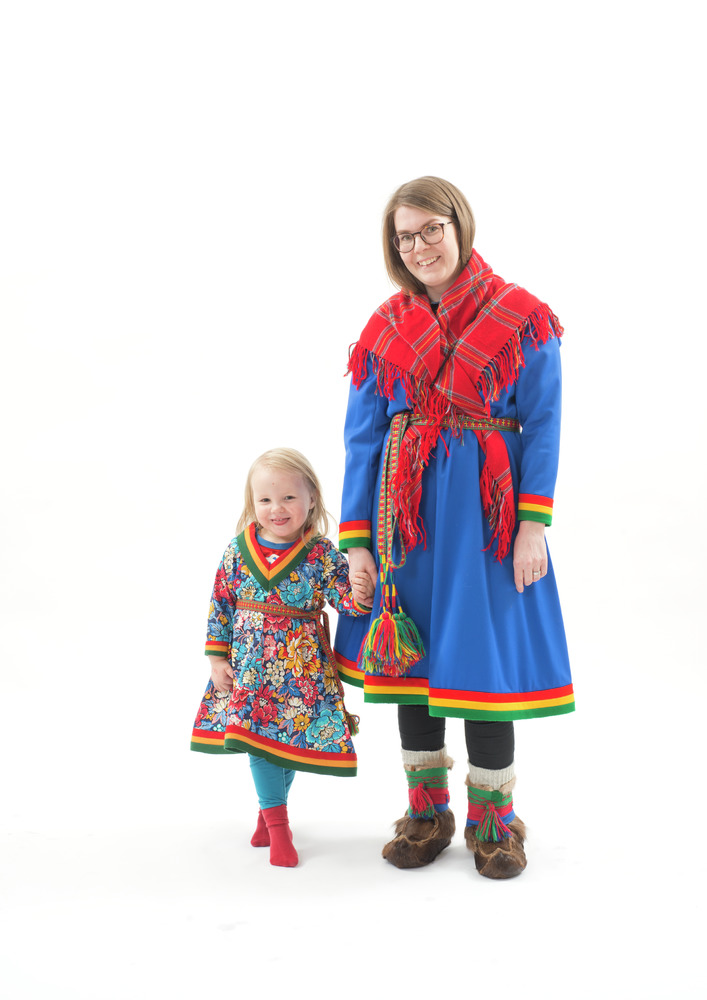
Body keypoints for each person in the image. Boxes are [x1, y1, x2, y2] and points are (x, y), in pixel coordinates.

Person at [334, 176, 574, 879]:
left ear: (459, 225)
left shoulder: (522, 317)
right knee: (411, 666)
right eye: (404, 236)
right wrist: (357, 543)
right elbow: (361, 442)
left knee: (480, 665)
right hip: (403, 518)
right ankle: (426, 812)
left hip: (486, 521)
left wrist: (532, 526)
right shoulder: (382, 330)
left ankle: (493, 823)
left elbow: (543, 425)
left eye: (430, 229)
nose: (419, 247)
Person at [191, 447, 373, 867]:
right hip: (250, 673)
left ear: (311, 499)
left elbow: (346, 601)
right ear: (251, 503)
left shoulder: (321, 552)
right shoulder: (237, 551)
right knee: (259, 744)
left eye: (289, 497)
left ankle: (265, 814)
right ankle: (278, 829)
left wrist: (361, 592)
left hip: (300, 672)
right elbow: (221, 605)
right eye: (266, 499)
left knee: (287, 744)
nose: (277, 509)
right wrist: (217, 660)